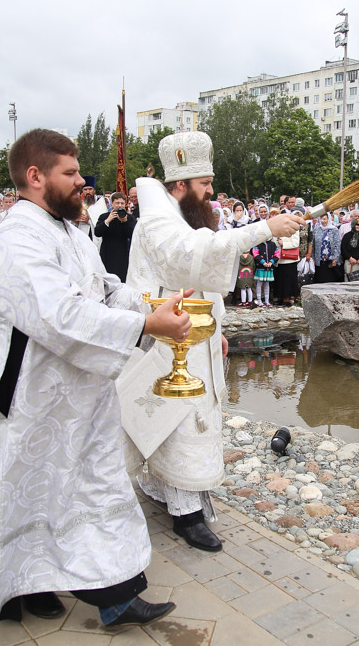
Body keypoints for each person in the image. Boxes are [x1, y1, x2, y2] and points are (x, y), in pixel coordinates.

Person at [0, 128, 184, 628]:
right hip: (27, 401)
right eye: (70, 172)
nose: (82, 180)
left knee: (85, 488)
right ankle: (32, 591)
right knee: (24, 491)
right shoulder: (15, 240)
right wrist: (145, 327)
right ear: (35, 176)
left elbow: (102, 289)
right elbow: (57, 314)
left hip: (77, 397)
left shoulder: (66, 230)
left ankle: (97, 594)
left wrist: (150, 305)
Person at [121, 130, 303, 553]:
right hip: (168, 342)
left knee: (196, 416)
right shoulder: (156, 223)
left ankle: (170, 490)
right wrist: (264, 228)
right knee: (180, 419)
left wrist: (217, 331)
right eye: (204, 184)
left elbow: (206, 282)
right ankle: (185, 513)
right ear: (180, 184)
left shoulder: (184, 218)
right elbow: (189, 257)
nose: (210, 193)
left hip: (196, 337)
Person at [95, 191, 136, 283]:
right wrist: (107, 221)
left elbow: (133, 234)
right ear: (112, 204)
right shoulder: (104, 216)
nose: (119, 205)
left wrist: (124, 222)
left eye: (122, 203)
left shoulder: (130, 218)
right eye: (117, 203)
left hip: (123, 253)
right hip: (107, 253)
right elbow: (97, 232)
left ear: (125, 204)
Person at [273, 218, 300, 306]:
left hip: (289, 259)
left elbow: (296, 243)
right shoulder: (277, 228)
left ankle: (288, 298)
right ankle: (280, 297)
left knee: (289, 280)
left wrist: (284, 243)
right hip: (279, 258)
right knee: (280, 279)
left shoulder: (294, 228)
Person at [313, 213, 341, 283]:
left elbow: (337, 244)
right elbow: (313, 244)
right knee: (320, 279)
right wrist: (313, 257)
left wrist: (335, 258)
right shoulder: (316, 229)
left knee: (330, 279)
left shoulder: (334, 230)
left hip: (330, 260)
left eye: (325, 219)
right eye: (321, 219)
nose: (323, 221)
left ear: (328, 219)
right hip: (319, 260)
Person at [253, 238, 279, 306]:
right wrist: (262, 262)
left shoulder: (273, 244)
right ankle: (259, 300)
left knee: (267, 283)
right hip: (260, 267)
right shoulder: (258, 244)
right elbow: (255, 254)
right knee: (259, 283)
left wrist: (271, 262)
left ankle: (266, 300)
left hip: (269, 267)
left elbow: (277, 254)